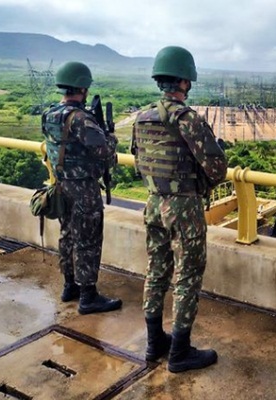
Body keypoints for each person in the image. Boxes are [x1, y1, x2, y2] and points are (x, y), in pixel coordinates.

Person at [131, 46, 227, 373]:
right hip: (183, 206)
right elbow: (216, 169)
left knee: (157, 271)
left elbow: (137, 162)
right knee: (187, 274)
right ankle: (180, 351)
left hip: (153, 203)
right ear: (185, 81)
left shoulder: (141, 117)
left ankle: (155, 342)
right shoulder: (188, 119)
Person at [42, 61, 122, 315]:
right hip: (83, 189)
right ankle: (88, 296)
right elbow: (104, 151)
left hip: (61, 185)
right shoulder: (80, 119)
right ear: (82, 88)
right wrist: (110, 136)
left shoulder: (51, 114)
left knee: (67, 236)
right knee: (88, 240)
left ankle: (69, 286)